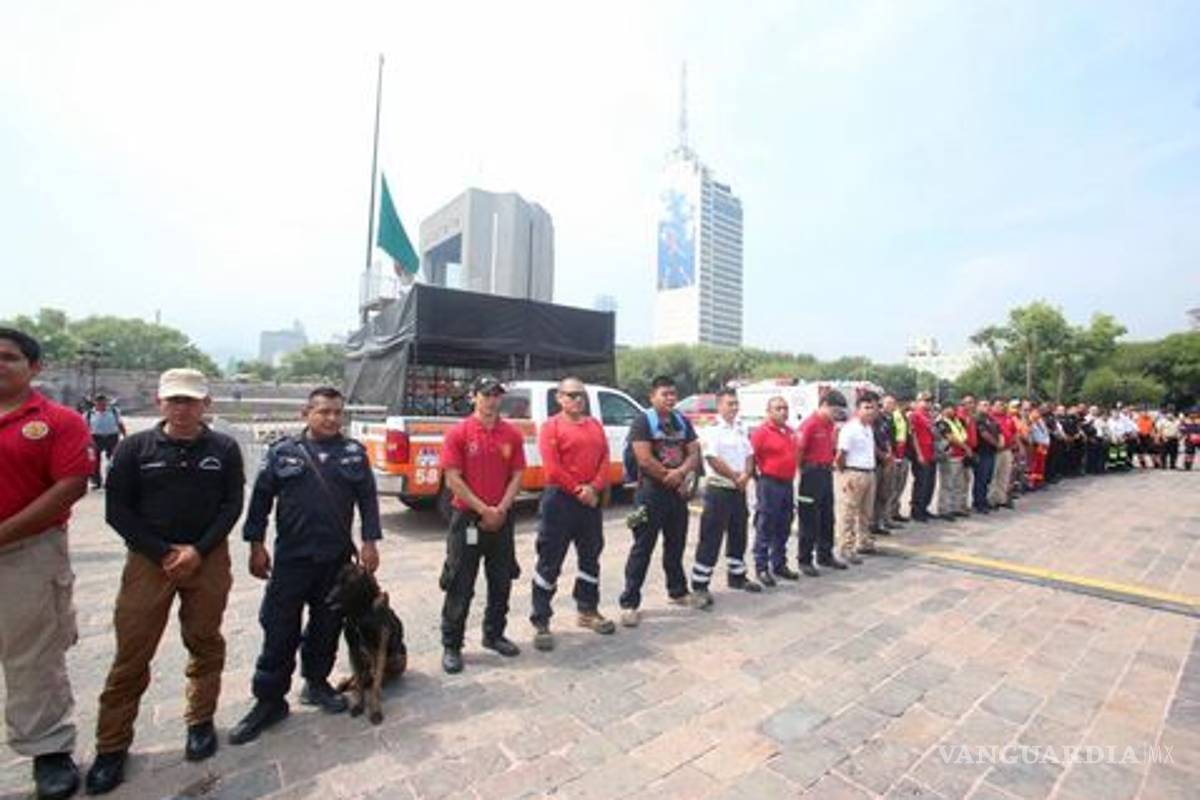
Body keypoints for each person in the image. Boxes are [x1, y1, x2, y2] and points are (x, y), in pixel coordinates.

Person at [86, 369, 244, 794]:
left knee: (205, 641)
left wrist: (198, 550)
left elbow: (232, 505)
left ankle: (200, 721)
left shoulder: (224, 448)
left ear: (205, 404)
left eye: (190, 401)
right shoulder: (136, 448)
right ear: (160, 402)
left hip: (207, 557)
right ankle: (112, 744)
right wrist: (162, 552)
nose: (182, 408)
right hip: (148, 560)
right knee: (132, 652)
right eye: (174, 400)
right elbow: (117, 510)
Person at [230, 386, 382, 743]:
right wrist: (256, 544)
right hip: (291, 560)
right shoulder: (283, 452)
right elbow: (261, 501)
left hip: (335, 562)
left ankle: (316, 683)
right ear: (306, 414)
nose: (330, 418)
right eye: (323, 412)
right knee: (279, 628)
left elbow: (368, 500)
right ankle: (269, 700)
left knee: (326, 625)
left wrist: (370, 542)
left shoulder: (353, 454)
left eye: (336, 413)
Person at [0, 329, 94, 800]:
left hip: (27, 552)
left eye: (9, 358)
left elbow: (70, 484)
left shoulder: (57, 420)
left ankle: (47, 747)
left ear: (34, 367)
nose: (0, 365)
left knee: (34, 655)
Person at [435, 376, 525, 673]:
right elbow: (453, 479)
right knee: (461, 582)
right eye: (486, 394)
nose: (492, 400)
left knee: (501, 581)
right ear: (474, 397)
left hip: (501, 519)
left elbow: (517, 475)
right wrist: (483, 509)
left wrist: (500, 508)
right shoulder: (459, 433)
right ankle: (452, 644)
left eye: (496, 395)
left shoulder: (511, 434)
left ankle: (494, 634)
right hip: (469, 522)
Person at [530, 377, 616, 651]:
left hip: (589, 502)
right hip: (560, 501)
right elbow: (552, 468)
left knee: (591, 557)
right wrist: (580, 490)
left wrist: (595, 487)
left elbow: (604, 459)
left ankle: (587, 610)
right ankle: (541, 620)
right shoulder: (550, 427)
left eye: (581, 395)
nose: (577, 400)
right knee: (549, 560)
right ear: (559, 397)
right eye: (571, 395)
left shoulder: (595, 425)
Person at [619, 376, 700, 625]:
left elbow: (694, 451)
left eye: (673, 394)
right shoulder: (643, 422)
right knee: (642, 548)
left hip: (677, 495)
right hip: (649, 495)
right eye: (665, 394)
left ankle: (677, 591)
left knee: (675, 546)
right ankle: (630, 603)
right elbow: (644, 459)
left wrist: (682, 472)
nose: (670, 398)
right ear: (652, 396)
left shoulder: (681, 421)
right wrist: (669, 475)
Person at [689, 388, 760, 607]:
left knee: (739, 533)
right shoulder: (712, 431)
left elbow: (749, 455)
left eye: (736, 403)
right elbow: (712, 459)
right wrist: (734, 477)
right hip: (719, 489)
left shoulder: (740, 429)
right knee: (711, 537)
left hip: (738, 489)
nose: (734, 407)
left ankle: (737, 576)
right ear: (719, 406)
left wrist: (747, 475)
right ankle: (700, 585)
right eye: (730, 404)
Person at [796, 390, 848, 575]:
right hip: (811, 473)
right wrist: (803, 470)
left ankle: (825, 555)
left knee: (827, 517)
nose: (837, 415)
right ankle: (805, 559)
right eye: (834, 410)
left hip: (826, 472)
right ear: (824, 404)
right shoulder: (809, 424)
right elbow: (799, 451)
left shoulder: (829, 425)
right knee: (809, 519)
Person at [750, 396, 798, 584]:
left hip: (787, 483)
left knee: (784, 524)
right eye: (778, 408)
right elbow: (751, 457)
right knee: (766, 524)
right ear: (769, 411)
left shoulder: (789, 432)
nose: (783, 412)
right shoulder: (762, 432)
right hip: (769, 483)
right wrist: (758, 480)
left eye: (785, 408)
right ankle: (761, 567)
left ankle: (779, 563)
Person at [835, 394, 878, 562]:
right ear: (858, 409)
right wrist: (845, 475)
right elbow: (840, 455)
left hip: (869, 473)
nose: (870, 411)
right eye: (866, 407)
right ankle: (846, 547)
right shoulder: (850, 428)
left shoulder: (868, 428)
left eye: (873, 407)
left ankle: (864, 542)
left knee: (866, 512)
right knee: (848, 512)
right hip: (853, 473)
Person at [934, 404, 970, 518]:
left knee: (959, 484)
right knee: (947, 484)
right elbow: (950, 437)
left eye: (953, 408)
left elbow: (962, 434)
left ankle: (956, 507)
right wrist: (966, 447)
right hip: (949, 456)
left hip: (960, 456)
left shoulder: (956, 421)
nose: (952, 411)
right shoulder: (941, 422)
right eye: (949, 408)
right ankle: (944, 509)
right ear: (944, 410)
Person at [84, 394, 126, 490]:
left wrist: (124, 436)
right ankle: (96, 482)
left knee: (113, 461)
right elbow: (84, 427)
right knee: (94, 461)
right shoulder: (89, 414)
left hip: (112, 437)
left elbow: (120, 424)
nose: (101, 403)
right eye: (98, 401)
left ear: (106, 402)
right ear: (95, 402)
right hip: (95, 438)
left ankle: (111, 481)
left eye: (103, 401)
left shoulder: (114, 412)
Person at [907, 393, 936, 521]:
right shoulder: (915, 415)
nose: (928, 403)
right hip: (921, 453)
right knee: (921, 483)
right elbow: (913, 436)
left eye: (930, 401)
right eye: (925, 400)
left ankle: (924, 507)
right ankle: (917, 510)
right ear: (918, 401)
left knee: (930, 483)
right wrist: (919, 454)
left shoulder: (929, 416)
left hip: (931, 453)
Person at [869, 398, 895, 536]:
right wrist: (883, 457)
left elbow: (888, 439)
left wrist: (889, 454)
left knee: (883, 494)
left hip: (885, 462)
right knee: (872, 497)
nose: (876, 410)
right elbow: (871, 445)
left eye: (878, 407)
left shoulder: (883, 422)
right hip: (875, 463)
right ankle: (870, 523)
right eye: (874, 407)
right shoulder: (869, 424)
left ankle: (878, 522)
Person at [884, 396, 910, 525]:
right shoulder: (884, 419)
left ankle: (895, 512)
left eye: (893, 403)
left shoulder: (901, 416)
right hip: (892, 456)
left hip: (902, 454)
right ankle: (887, 516)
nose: (891, 405)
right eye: (888, 403)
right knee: (891, 488)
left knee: (900, 486)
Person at [987, 398, 1015, 510]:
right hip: (995, 451)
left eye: (1003, 405)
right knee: (994, 475)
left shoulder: (1008, 418)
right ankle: (991, 500)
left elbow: (1013, 433)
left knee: (1004, 475)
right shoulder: (990, 418)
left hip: (1007, 450)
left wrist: (1016, 445)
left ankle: (1001, 499)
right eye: (998, 405)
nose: (1001, 407)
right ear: (992, 406)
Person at [972, 400, 999, 513]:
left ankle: (983, 500)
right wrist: (997, 444)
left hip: (991, 452)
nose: (987, 407)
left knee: (988, 478)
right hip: (982, 452)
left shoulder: (990, 419)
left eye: (988, 405)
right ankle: (979, 503)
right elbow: (984, 435)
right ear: (978, 407)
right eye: (984, 405)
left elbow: (998, 431)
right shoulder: (978, 419)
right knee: (981, 479)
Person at [956, 396, 979, 513]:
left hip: (970, 450)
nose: (971, 405)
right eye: (968, 403)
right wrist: (966, 448)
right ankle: (959, 506)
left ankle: (963, 504)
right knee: (961, 480)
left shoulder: (971, 417)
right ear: (963, 404)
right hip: (962, 451)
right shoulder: (960, 417)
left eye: (973, 402)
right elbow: (958, 436)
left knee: (966, 479)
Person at [1028, 408, 1050, 489]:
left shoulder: (1041, 421)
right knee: (1035, 464)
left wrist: (1046, 443)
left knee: (1041, 464)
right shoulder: (1030, 422)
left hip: (1044, 445)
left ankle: (1039, 482)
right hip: (1036, 445)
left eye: (1038, 413)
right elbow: (1031, 435)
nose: (1037, 414)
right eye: (1035, 412)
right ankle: (1033, 483)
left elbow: (1045, 432)